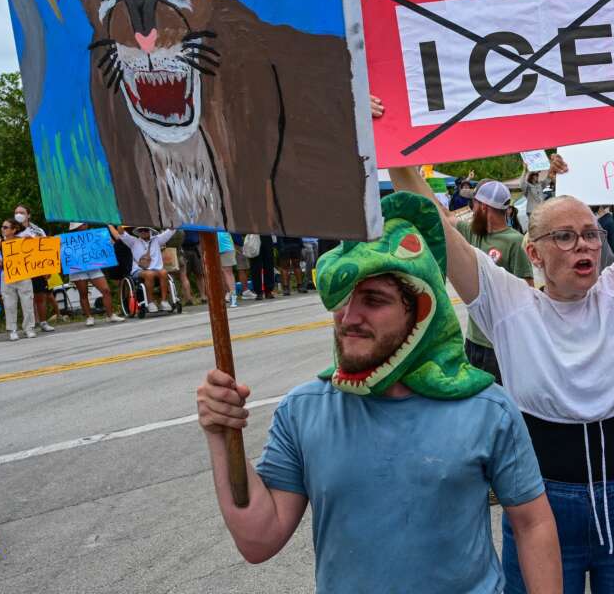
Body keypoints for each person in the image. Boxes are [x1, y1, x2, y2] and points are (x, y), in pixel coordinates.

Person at [195, 193, 561, 593]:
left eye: (373, 301)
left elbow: (533, 523)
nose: (350, 318)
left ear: (421, 310)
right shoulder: (304, 410)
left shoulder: (486, 407)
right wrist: (220, 431)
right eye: (344, 299)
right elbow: (259, 539)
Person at [387, 162, 614, 594]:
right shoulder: (508, 304)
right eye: (564, 236)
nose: (583, 244)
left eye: (590, 233)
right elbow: (436, 225)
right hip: (540, 511)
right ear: (535, 253)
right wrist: (395, 154)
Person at [458, 179, 533, 385]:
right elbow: (442, 217)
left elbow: (527, 290)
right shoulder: (473, 233)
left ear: (483, 207)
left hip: (499, 344)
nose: (471, 210)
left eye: (473, 205)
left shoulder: (515, 241)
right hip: (473, 340)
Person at [65, 223, 125, 326]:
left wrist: (108, 244)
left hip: (94, 267)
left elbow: (106, 246)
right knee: (83, 293)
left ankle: (110, 315)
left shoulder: (95, 235)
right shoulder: (69, 239)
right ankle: (89, 317)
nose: (85, 225)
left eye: (84, 223)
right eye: (82, 224)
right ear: (76, 227)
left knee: (106, 290)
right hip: (78, 268)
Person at [110, 226, 176, 311]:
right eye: (141, 231)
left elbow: (171, 231)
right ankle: (150, 302)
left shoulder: (157, 240)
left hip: (156, 270)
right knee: (149, 274)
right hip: (139, 271)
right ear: (138, 233)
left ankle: (164, 301)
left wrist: (173, 221)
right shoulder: (133, 241)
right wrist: (117, 221)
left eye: (146, 230)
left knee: (164, 272)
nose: (143, 232)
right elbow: (122, 233)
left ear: (150, 231)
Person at [13, 205, 55, 332]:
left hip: (36, 268)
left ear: (28, 215)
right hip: (20, 269)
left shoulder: (38, 230)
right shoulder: (10, 228)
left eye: (22, 212)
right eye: (16, 212)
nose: (19, 214)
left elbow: (46, 249)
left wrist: (47, 269)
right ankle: (29, 325)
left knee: (40, 296)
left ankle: (43, 322)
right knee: (25, 298)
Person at [0, 219, 36, 340]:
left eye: (5, 227)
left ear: (14, 230)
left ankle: (29, 328)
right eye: (2, 227)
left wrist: (32, 240)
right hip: (7, 275)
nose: (3, 229)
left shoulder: (22, 240)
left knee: (27, 301)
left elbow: (35, 251)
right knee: (9, 303)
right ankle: (12, 329)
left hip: (23, 274)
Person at [216, 231, 239, 308]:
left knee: (227, 272)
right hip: (213, 247)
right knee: (221, 273)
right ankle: (226, 293)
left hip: (226, 247)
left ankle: (233, 296)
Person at [181, 229, 204, 306]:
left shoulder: (194, 219)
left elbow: (200, 234)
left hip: (195, 248)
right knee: (185, 275)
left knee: (200, 273)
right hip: (183, 249)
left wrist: (201, 248)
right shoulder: (180, 220)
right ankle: (188, 298)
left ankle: (203, 296)